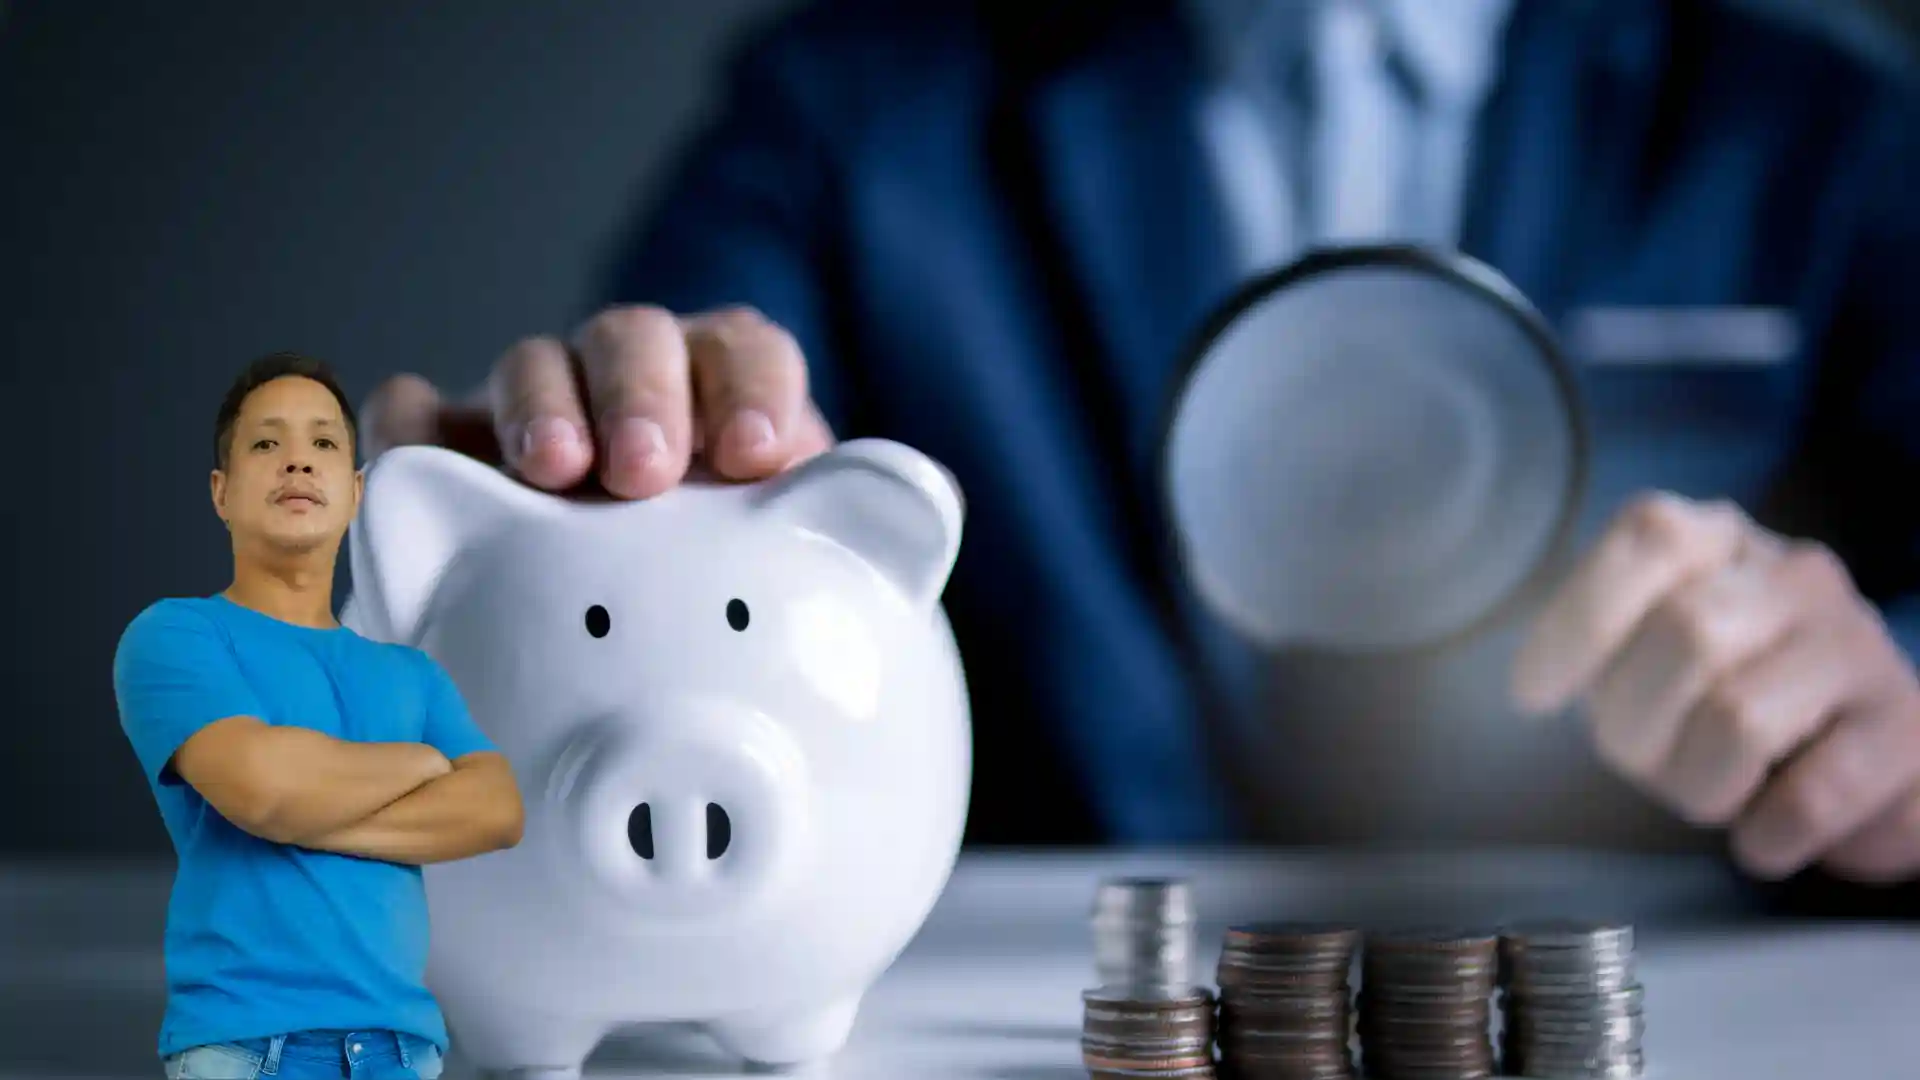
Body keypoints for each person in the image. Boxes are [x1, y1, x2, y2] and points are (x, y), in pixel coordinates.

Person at [362, 0, 1920, 894]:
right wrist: (560, 521)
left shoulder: (1817, 121)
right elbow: (664, 442)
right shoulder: (854, 111)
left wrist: (1898, 730)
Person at [112, 353, 526, 1079]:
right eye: (266, 444)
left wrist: (299, 815)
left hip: (400, 1047)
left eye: (325, 444)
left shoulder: (410, 671)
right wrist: (420, 766)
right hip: (242, 1045)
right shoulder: (175, 635)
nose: (297, 462)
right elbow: (260, 787)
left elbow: (497, 808)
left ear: (358, 491)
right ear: (221, 491)